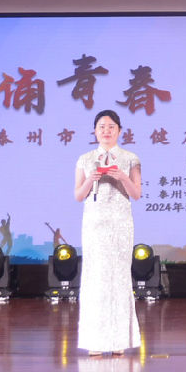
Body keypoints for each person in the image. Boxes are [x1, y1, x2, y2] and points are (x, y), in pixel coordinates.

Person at [73, 109, 143, 355]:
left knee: (119, 278)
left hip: (120, 223)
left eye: (111, 127)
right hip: (95, 224)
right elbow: (78, 195)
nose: (106, 131)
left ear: (119, 131)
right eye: (101, 127)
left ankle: (118, 342)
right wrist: (90, 179)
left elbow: (136, 194)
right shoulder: (85, 159)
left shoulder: (130, 158)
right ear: (95, 131)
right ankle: (95, 342)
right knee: (96, 278)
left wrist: (122, 176)